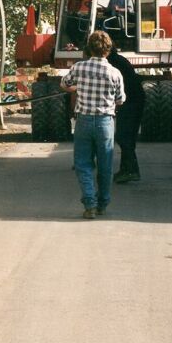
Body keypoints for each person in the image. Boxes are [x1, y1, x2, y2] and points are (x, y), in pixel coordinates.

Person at [61, 30, 125, 219]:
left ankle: (90, 205)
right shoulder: (115, 73)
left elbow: (64, 84)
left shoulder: (79, 68)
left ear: (89, 48)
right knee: (105, 166)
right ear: (108, 50)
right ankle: (103, 204)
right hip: (105, 122)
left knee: (83, 164)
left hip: (84, 121)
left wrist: (76, 88)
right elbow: (120, 100)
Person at [107, 47, 145, 183]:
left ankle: (131, 171)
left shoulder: (112, 63)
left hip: (131, 101)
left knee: (124, 136)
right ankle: (127, 169)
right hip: (133, 100)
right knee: (126, 137)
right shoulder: (118, 60)